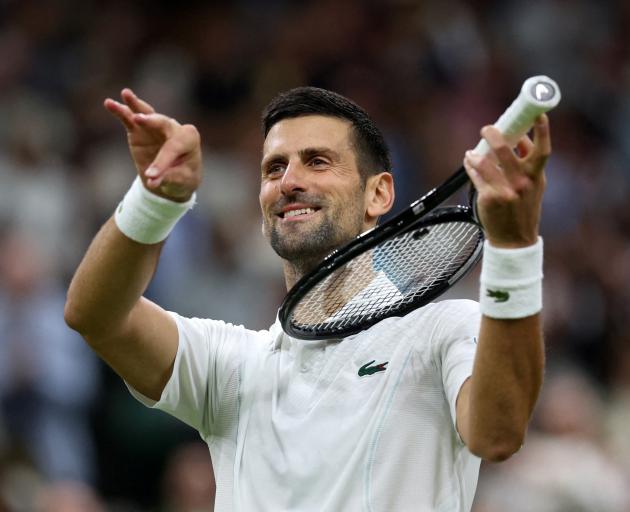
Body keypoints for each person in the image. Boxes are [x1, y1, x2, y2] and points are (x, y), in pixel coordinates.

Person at [65, 86, 550, 511]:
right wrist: (156, 202)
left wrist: (514, 251)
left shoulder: (443, 329)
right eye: (274, 167)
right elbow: (97, 315)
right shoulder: (233, 366)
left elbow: (498, 433)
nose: (289, 181)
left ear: (378, 194)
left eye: (317, 161)